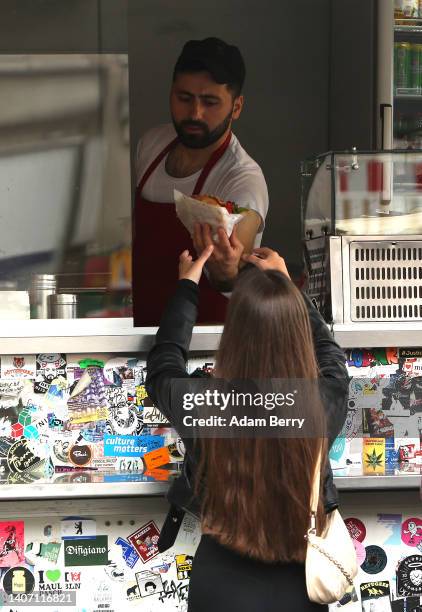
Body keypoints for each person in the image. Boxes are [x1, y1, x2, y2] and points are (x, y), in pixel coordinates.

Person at [145, 246, 349, 611]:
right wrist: (288, 286)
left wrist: (187, 285)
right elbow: (330, 356)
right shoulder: (320, 402)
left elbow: (164, 363)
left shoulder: (202, 403)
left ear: (233, 334)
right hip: (301, 585)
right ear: (296, 334)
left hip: (219, 587)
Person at [133, 37, 269, 325]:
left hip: (199, 344)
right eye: (184, 98)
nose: (195, 113)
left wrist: (227, 268)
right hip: (138, 334)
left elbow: (231, 271)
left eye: (210, 102)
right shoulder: (151, 145)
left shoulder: (243, 178)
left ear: (236, 107)